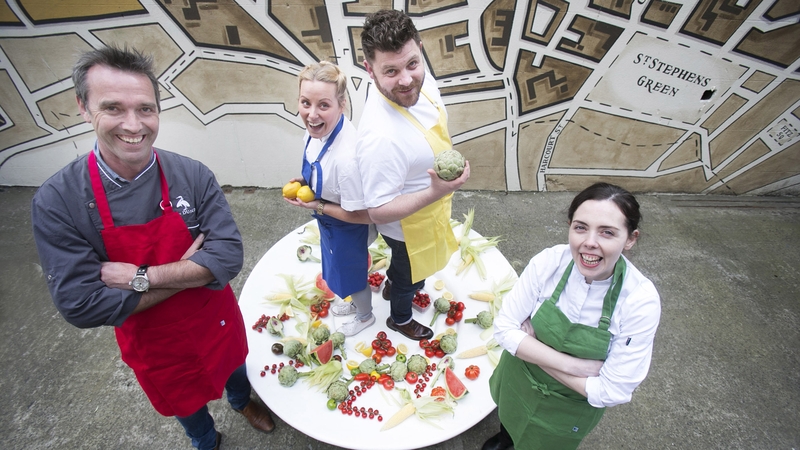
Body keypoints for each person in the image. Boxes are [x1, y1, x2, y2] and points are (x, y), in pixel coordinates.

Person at [30, 46, 274, 450]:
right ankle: (205, 439)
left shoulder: (191, 175)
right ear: (83, 107)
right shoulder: (59, 202)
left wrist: (138, 277)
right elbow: (83, 305)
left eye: (145, 109)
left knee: (234, 370)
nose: (133, 124)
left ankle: (240, 402)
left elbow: (228, 257)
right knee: (186, 405)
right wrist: (193, 272)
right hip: (156, 346)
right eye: (113, 108)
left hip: (214, 322)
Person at [485, 183, 661, 450]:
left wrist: (532, 351)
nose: (589, 242)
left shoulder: (639, 301)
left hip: (567, 409)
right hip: (518, 382)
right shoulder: (549, 263)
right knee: (509, 420)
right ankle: (505, 438)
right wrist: (576, 366)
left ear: (630, 239)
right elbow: (504, 329)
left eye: (607, 232)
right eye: (580, 227)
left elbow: (611, 391)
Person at [356, 9, 470, 341]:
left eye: (412, 64)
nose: (406, 80)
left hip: (432, 210)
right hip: (408, 230)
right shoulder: (380, 137)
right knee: (412, 279)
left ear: (419, 49)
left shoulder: (419, 80)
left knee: (407, 274)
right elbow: (376, 211)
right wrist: (436, 191)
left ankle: (393, 284)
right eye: (390, 71)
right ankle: (400, 317)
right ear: (370, 69)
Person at [283, 61, 376, 336]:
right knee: (335, 267)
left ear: (341, 104)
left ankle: (365, 316)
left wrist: (316, 205)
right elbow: (316, 163)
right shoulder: (317, 131)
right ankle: (351, 300)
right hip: (329, 221)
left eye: (323, 105)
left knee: (352, 274)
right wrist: (303, 181)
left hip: (349, 225)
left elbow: (363, 215)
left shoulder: (346, 159)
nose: (312, 115)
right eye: (305, 103)